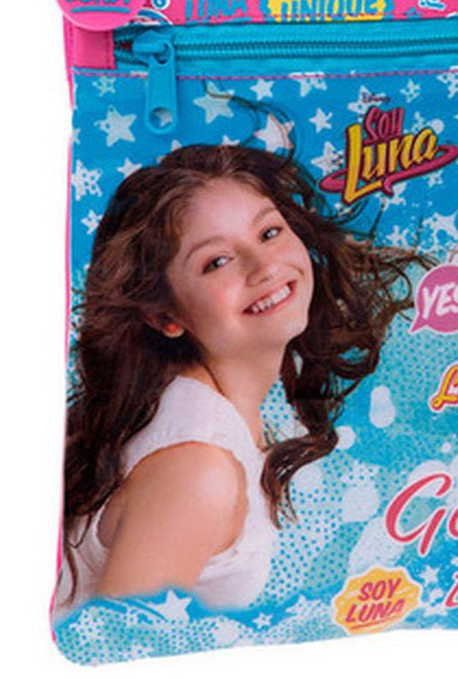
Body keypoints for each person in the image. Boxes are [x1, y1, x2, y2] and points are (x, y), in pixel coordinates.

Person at [55, 144, 419, 615]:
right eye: (217, 262)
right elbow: (122, 643)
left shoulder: (200, 408)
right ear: (165, 315)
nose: (265, 265)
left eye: (269, 232)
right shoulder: (198, 469)